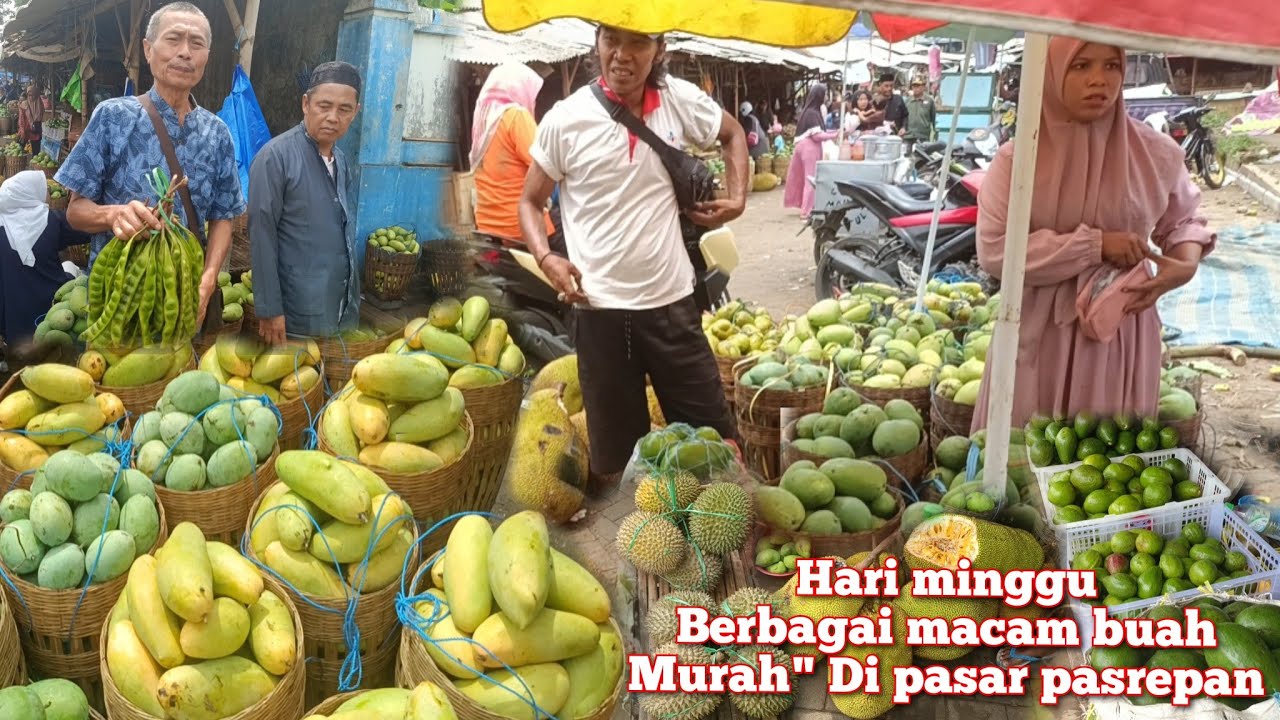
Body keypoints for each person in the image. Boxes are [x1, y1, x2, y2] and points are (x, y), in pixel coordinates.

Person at [517, 24, 748, 490]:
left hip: (672, 307)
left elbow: (733, 132)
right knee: (621, 460)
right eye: (611, 40)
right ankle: (644, 545)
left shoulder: (679, 99)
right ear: (597, 44)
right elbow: (529, 201)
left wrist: (739, 198)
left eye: (638, 42)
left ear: (659, 48)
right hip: (601, 314)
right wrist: (546, 257)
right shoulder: (567, 118)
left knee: (717, 442)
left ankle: (719, 538)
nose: (622, 55)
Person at [969, 38, 1215, 435]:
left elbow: (1185, 220)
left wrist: (1183, 265)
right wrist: (1095, 245)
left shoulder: (1155, 154)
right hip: (1036, 333)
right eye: (1080, 66)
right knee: (1023, 463)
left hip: (1118, 335)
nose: (1099, 80)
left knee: (1104, 474)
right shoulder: (1017, 161)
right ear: (1050, 74)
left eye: (1111, 66)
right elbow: (996, 250)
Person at [56, 1, 244, 329]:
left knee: (181, 379)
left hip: (183, 305)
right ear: (147, 49)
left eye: (196, 43)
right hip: (116, 307)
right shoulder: (112, 117)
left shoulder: (218, 133)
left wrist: (209, 277)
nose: (185, 52)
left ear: (207, 57)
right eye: (173, 39)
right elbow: (74, 212)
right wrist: (112, 214)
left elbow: (223, 216)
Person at [247, 62, 362, 345]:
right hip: (296, 313)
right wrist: (270, 309)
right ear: (306, 104)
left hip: (340, 306)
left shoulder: (343, 162)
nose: (333, 117)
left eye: (344, 110)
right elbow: (261, 237)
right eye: (324, 106)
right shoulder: (275, 158)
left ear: (355, 113)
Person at [0, 171, 91, 353]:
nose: (48, 193)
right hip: (52, 311)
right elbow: (86, 229)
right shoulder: (51, 220)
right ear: (31, 192)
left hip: (12, 317)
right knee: (73, 268)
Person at [470, 63, 556, 249]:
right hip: (519, 225)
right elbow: (546, 162)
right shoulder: (516, 116)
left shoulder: (484, 120)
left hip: (486, 223)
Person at [784, 83, 838, 220]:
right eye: (825, 94)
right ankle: (807, 211)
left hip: (801, 147)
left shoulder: (808, 112)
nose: (826, 97)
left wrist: (836, 132)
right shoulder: (813, 113)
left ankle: (803, 205)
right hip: (810, 148)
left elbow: (820, 131)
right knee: (811, 178)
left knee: (801, 177)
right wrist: (834, 135)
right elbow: (816, 135)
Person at [904, 77, 937, 145]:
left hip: (923, 136)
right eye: (914, 86)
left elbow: (933, 118)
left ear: (923, 87)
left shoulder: (929, 101)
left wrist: (935, 132)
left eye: (918, 86)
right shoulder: (907, 101)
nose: (916, 88)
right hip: (908, 135)